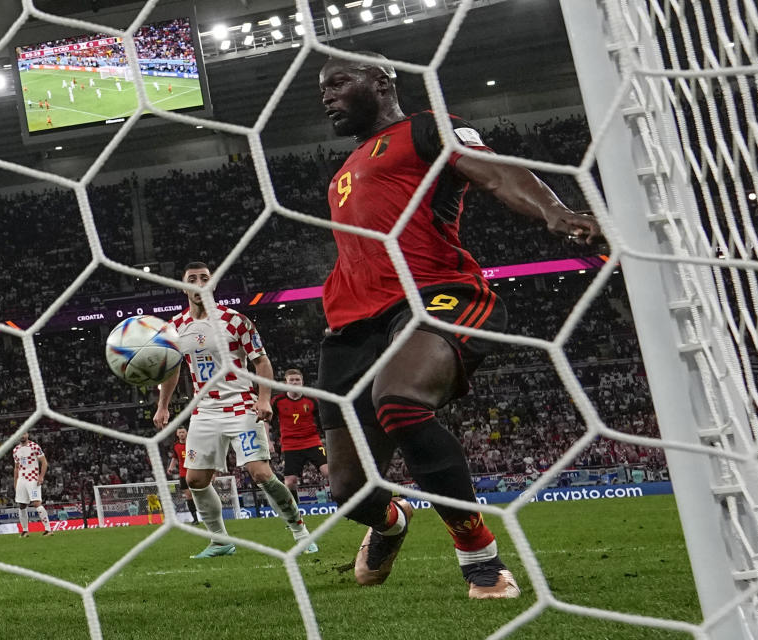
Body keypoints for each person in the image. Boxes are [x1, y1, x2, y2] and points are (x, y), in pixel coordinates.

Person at [316, 53, 600, 598]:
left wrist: (556, 213)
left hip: (435, 295)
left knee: (398, 400)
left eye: (337, 83)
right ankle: (391, 522)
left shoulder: (428, 128)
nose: (326, 96)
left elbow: (496, 173)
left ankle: (478, 554)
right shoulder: (343, 172)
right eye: (323, 88)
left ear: (381, 82)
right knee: (348, 488)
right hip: (351, 328)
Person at [154, 262, 319, 558]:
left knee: (260, 474)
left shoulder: (235, 321)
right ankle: (220, 541)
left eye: (204, 278)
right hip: (204, 410)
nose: (199, 282)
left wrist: (264, 398)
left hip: (241, 406)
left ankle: (300, 532)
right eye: (192, 279)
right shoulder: (176, 327)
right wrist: (162, 406)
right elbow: (172, 371)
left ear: (212, 284)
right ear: (184, 287)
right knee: (195, 480)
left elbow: (262, 362)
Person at [270, 369, 328, 505]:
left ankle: (345, 506)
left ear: (302, 382)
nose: (295, 382)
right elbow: (266, 420)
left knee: (328, 471)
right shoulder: (277, 401)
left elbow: (322, 423)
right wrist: (268, 440)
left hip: (312, 441)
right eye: (292, 380)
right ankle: (295, 516)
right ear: (286, 382)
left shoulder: (312, 400)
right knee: (290, 482)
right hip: (291, 445)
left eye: (297, 380)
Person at [12, 432, 53, 537]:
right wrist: (15, 482)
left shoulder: (34, 446)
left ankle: (48, 529)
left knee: (36, 503)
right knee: (21, 505)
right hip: (21, 479)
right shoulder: (16, 450)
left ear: (27, 435)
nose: (22, 435)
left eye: (24, 433)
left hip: (32, 478)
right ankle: (25, 531)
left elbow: (44, 462)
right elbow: (16, 467)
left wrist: (41, 476)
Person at [167, 427, 199, 524]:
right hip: (183, 474)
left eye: (183, 432)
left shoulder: (192, 443)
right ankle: (195, 519)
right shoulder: (176, 445)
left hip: (194, 472)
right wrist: (170, 468)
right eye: (180, 432)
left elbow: (197, 457)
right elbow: (174, 458)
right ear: (177, 434)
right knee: (189, 496)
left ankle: (206, 515)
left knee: (199, 495)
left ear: (186, 433)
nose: (181, 434)